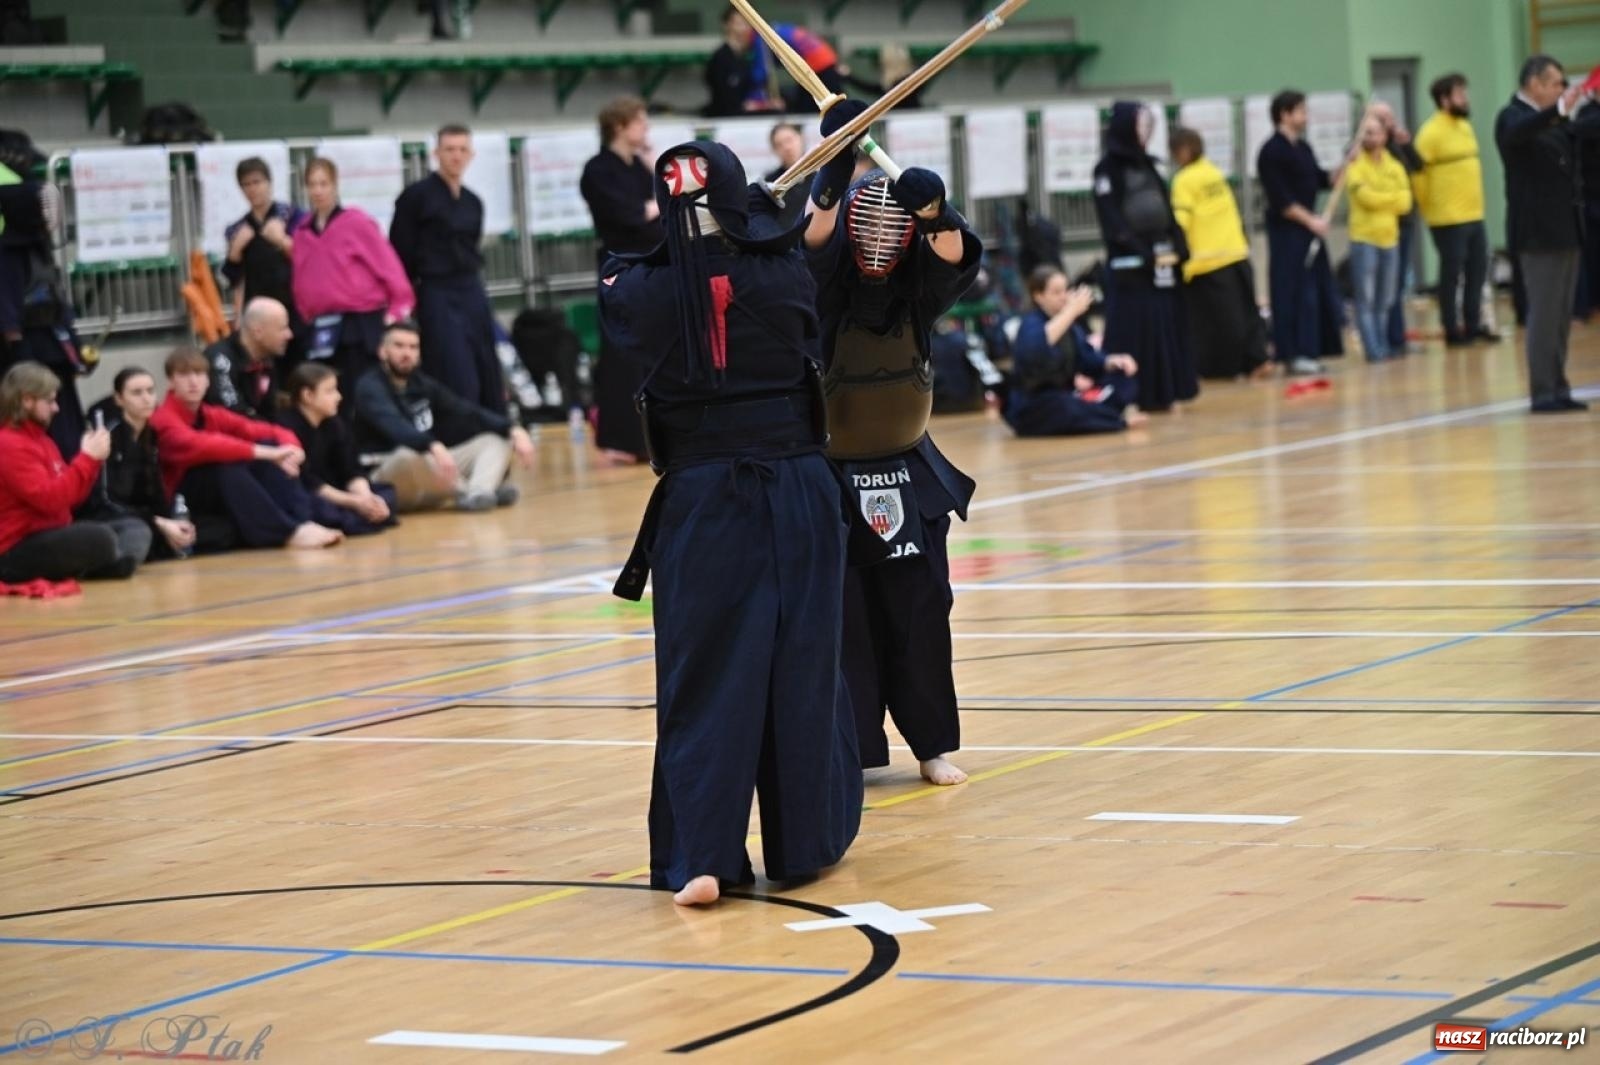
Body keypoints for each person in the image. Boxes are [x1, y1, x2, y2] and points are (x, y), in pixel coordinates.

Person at [601, 139, 870, 906]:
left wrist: (736, 213)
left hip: (702, 502)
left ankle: (703, 855)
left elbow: (631, 268)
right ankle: (804, 841)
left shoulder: (637, 293)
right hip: (798, 489)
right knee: (804, 665)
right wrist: (779, 200)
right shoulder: (781, 273)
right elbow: (807, 241)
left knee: (706, 677)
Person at [803, 100, 977, 786]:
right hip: (829, 470)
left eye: (894, 227)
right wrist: (831, 173)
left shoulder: (918, 294)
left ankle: (933, 742)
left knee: (921, 611)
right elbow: (809, 242)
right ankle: (853, 750)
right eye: (864, 226)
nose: (878, 240)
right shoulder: (820, 290)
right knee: (843, 619)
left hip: (907, 470)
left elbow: (955, 257)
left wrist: (937, 213)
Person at [150, 347, 344, 549]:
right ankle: (287, 532)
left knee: (267, 447)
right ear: (171, 382)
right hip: (180, 500)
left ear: (208, 380)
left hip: (213, 498)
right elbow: (206, 445)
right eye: (184, 375)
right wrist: (270, 454)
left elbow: (261, 430)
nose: (193, 382)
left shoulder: (210, 413)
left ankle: (301, 521)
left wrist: (293, 449)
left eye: (199, 374)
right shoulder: (164, 419)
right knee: (227, 466)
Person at [1496, 55, 1600, 413]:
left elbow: (1580, 134)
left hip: (1566, 231)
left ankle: (1558, 385)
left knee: (1560, 318)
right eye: (1556, 83)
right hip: (1539, 235)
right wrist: (1559, 108)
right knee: (1543, 315)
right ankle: (1542, 391)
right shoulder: (1512, 117)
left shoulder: (1553, 122)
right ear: (1535, 84)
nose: (1561, 89)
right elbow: (1520, 133)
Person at [352, 320, 534, 512]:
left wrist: (512, 428)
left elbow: (466, 411)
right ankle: (476, 491)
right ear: (382, 351)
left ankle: (479, 492)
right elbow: (396, 427)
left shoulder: (422, 384)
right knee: (410, 454)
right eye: (399, 346)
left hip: (429, 470)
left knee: (496, 439)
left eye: (413, 347)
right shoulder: (369, 387)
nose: (407, 353)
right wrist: (433, 446)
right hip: (386, 472)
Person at [390, 124, 505, 413]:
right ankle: (457, 432)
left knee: (484, 361)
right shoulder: (415, 197)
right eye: (449, 149)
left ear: (471, 154)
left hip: (470, 287)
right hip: (435, 289)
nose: (456, 156)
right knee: (452, 364)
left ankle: (491, 428)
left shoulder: (473, 202)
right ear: (436, 153)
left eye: (462, 150)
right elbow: (400, 251)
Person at [0, 361, 150, 583]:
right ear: (26, 400)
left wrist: (93, 461)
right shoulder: (8, 444)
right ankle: (106, 563)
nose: (56, 408)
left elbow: (71, 499)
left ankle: (108, 564)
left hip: (53, 531)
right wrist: (87, 458)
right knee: (99, 538)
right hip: (17, 546)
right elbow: (49, 499)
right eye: (50, 401)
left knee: (134, 527)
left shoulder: (44, 441)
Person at [1093, 101, 1196, 410]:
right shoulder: (1106, 169)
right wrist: (1141, 251)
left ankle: (1169, 389)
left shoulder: (1150, 164)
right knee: (1138, 326)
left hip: (1161, 260)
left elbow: (1166, 209)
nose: (1144, 132)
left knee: (1166, 319)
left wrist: (1179, 243)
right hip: (1131, 267)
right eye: (1138, 125)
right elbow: (1112, 221)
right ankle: (1134, 392)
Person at [291, 157, 415, 411]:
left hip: (360, 322)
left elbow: (389, 267)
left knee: (363, 391)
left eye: (323, 183)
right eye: (312, 185)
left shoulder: (356, 223)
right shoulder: (302, 232)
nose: (318, 191)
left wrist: (398, 309)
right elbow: (300, 276)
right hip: (322, 327)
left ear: (335, 185)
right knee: (329, 393)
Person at [580, 96, 664, 464]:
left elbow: (661, 196)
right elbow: (631, 215)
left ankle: (648, 437)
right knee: (620, 352)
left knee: (651, 349)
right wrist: (656, 205)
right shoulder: (599, 170)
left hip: (648, 263)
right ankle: (617, 439)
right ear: (619, 126)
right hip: (619, 264)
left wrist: (651, 160)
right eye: (639, 122)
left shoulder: (636, 166)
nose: (645, 128)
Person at [79, 367, 233, 560]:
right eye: (137, 393)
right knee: (139, 532)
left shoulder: (151, 435)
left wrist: (172, 523)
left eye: (150, 391)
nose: (146, 398)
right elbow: (104, 501)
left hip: (147, 518)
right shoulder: (107, 438)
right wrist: (158, 523)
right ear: (119, 399)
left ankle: (170, 543)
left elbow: (157, 493)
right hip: (114, 518)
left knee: (221, 529)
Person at [0, 128, 88, 461]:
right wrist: (20, 357)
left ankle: (83, 491)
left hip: (54, 348)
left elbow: (56, 298)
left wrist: (76, 349)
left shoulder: (40, 248)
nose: (49, 215)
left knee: (69, 422)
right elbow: (6, 311)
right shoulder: (6, 253)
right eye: (42, 207)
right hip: (27, 357)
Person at [1169, 127, 1269, 379]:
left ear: (1181, 151)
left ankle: (1221, 368)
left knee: (1217, 323)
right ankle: (1257, 360)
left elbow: (1181, 220)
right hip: (1236, 251)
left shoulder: (1184, 180)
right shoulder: (1213, 172)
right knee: (1248, 313)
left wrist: (1177, 253)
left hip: (1208, 260)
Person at [1258, 89, 1345, 375]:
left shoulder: (1303, 148)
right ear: (1285, 114)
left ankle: (1312, 350)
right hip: (1288, 233)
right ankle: (1292, 354)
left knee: (1315, 291)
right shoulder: (1271, 151)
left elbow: (1321, 180)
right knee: (1292, 291)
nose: (1306, 116)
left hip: (1309, 230)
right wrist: (1311, 221)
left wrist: (1344, 166)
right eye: (1301, 111)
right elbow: (1281, 199)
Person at [1006, 266, 1144, 435]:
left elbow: (1088, 359)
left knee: (1123, 379)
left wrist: (1112, 361)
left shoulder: (1071, 327)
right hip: (1036, 405)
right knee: (1065, 406)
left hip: (1070, 395)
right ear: (1038, 296)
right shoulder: (1030, 324)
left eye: (1065, 290)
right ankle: (1114, 419)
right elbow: (1036, 350)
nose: (1064, 297)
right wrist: (1070, 312)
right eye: (1056, 292)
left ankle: (1098, 414)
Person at [1415, 74, 1498, 347]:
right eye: (1460, 94)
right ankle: (1451, 329)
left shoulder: (1464, 127)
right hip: (1447, 217)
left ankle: (1473, 325)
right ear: (1445, 99)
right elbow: (1418, 176)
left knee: (1477, 271)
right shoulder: (1430, 132)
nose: (1466, 99)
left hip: (1474, 213)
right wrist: (1430, 210)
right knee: (1451, 275)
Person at [278, 362, 398, 535]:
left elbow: (350, 469)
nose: (339, 397)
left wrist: (367, 499)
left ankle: (366, 513)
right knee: (318, 509)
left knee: (386, 493)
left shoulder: (334, 423)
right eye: (330, 391)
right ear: (308, 395)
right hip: (309, 493)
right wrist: (354, 502)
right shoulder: (287, 427)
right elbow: (309, 483)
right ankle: (359, 516)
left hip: (338, 490)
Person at [1346, 113, 1414, 362]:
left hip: (1390, 239)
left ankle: (1384, 345)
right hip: (1364, 239)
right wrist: (1390, 199)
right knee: (1366, 299)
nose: (1369, 136)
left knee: (1385, 299)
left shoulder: (1394, 166)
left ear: (1384, 136)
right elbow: (1365, 198)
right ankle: (1373, 350)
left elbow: (1406, 203)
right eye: (1365, 131)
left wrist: (1382, 200)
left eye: (1374, 131)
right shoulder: (1354, 164)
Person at [221, 157, 306, 333]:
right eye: (246, 184)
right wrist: (234, 253)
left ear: (269, 182)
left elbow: (309, 259)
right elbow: (233, 279)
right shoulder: (237, 230)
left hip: (295, 308)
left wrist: (282, 240)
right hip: (258, 313)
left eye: (257, 182)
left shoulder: (292, 216)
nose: (252, 189)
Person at [1368, 102, 1424, 354]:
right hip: (1379, 227)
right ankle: (1382, 341)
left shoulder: (1397, 145)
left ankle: (1397, 337)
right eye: (1383, 119)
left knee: (1398, 283)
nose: (1389, 123)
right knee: (1383, 286)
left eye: (1391, 118)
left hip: (1405, 222)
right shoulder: (1369, 150)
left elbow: (1417, 166)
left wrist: (1406, 142)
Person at [203, 297, 294, 419]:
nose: (289, 335)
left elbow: (270, 411)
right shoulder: (220, 360)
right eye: (282, 328)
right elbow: (233, 416)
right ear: (257, 332)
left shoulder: (266, 359)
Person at [764, 121, 811, 232]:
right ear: (774, 150)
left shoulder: (819, 179)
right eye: (779, 145)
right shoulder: (770, 183)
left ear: (801, 138)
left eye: (789, 140)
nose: (786, 147)